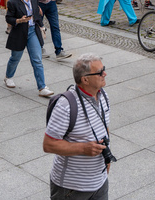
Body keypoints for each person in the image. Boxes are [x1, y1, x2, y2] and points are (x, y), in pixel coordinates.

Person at [43, 54, 111, 200]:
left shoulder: (103, 95)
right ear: (85, 79)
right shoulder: (65, 105)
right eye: (100, 72)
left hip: (99, 182)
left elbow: (104, 128)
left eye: (103, 69)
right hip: (71, 188)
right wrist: (83, 149)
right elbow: (48, 145)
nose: (104, 74)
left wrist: (107, 160)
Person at [4, 0, 55, 96]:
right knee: (15, 57)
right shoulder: (13, 2)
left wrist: (42, 27)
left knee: (37, 59)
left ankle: (42, 87)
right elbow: (8, 18)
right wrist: (18, 20)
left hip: (32, 31)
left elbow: (36, 14)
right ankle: (8, 76)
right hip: (19, 32)